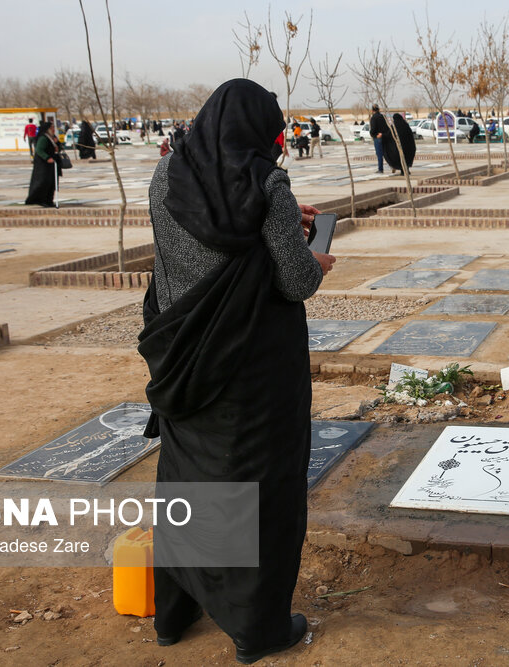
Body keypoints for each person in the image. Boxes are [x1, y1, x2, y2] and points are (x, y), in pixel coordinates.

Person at [138, 78, 335, 664]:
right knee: (259, 490)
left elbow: (193, 245)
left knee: (187, 484)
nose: (277, 144)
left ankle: (174, 615)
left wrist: (273, 226)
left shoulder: (164, 175)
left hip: (185, 360)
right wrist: (314, 259)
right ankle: (258, 627)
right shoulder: (267, 184)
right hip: (251, 371)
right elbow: (294, 280)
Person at [24, 121, 60, 207]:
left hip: (51, 165)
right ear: (48, 129)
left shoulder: (52, 138)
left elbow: (56, 148)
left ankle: (49, 200)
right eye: (52, 128)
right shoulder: (44, 138)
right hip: (43, 166)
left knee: (52, 183)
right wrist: (47, 158)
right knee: (44, 183)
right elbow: (39, 150)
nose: (53, 129)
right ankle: (42, 200)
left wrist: (57, 144)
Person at [369, 104, 389, 174]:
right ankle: (393, 165)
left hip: (377, 137)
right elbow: (387, 127)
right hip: (384, 137)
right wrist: (383, 134)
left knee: (379, 154)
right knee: (387, 153)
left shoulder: (374, 118)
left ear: (372, 110)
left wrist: (372, 134)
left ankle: (380, 169)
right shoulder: (383, 116)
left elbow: (373, 128)